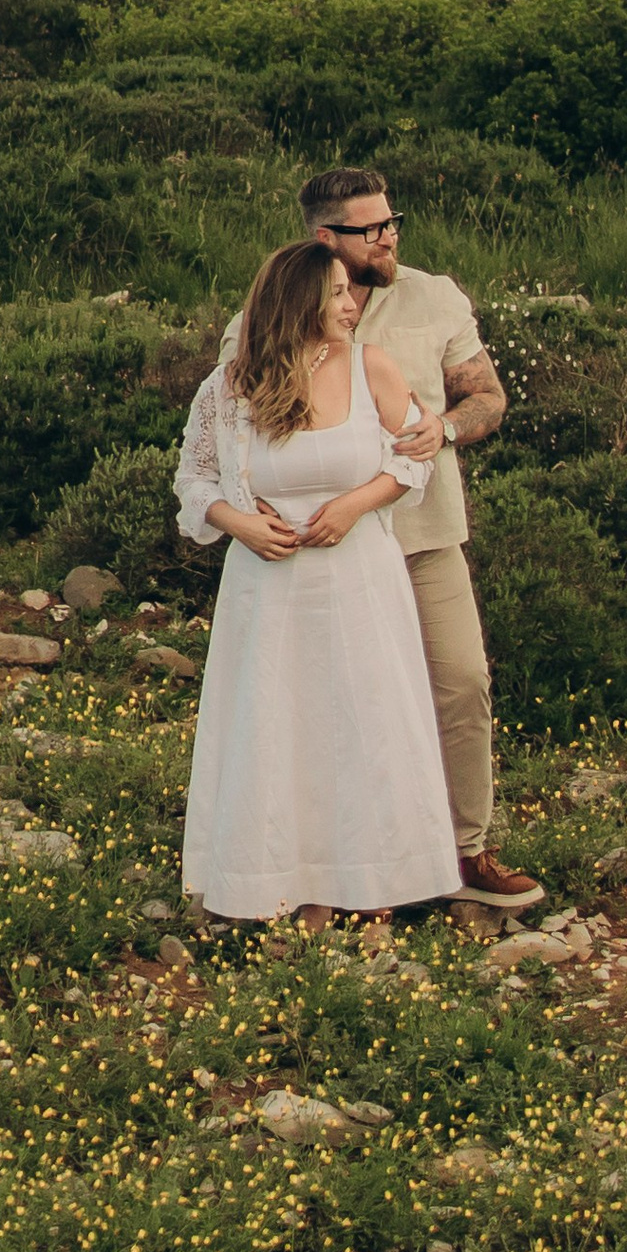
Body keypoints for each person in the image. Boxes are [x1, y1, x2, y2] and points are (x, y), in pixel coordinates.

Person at [180, 166, 545, 915]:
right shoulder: (262, 321)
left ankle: (466, 850)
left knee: (458, 683)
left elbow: (488, 396)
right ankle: (326, 867)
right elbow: (224, 437)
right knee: (331, 706)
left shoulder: (433, 296)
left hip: (421, 532)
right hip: (307, 555)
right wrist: (245, 517)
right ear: (327, 239)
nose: (389, 237)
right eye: (371, 228)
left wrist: (437, 430)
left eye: (391, 222)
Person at [177, 237, 460, 927]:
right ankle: (288, 885)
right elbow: (194, 480)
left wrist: (355, 505)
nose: (350, 304)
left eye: (349, 291)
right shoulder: (230, 386)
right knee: (278, 730)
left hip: (360, 580)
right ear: (296, 300)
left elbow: (416, 459)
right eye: (335, 292)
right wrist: (237, 523)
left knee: (367, 726)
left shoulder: (374, 369)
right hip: (267, 590)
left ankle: (371, 882)